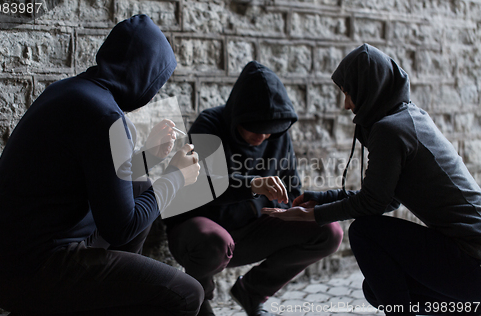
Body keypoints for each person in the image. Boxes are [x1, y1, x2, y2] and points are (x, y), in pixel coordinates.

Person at [0, 15, 204, 316]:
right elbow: (121, 226)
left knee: (139, 190)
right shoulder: (104, 116)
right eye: (157, 81)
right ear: (143, 75)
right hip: (31, 272)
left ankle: (105, 300)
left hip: (8, 262)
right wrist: (176, 177)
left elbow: (101, 183)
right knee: (188, 294)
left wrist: (150, 157)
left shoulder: (72, 90)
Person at [263, 44, 481, 315]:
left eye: (347, 92)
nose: (346, 105)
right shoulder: (408, 117)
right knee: (377, 289)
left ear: (368, 88)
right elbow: (387, 199)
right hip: (471, 263)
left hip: (473, 259)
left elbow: (373, 203)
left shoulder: (390, 130)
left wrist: (311, 215)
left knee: (364, 232)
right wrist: (320, 198)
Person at [163, 61, 344, 316]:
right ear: (239, 113)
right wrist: (252, 186)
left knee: (329, 230)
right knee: (215, 241)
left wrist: (301, 206)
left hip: (250, 231)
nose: (262, 136)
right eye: (255, 128)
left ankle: (252, 291)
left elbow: (292, 188)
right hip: (198, 234)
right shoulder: (211, 124)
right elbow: (200, 186)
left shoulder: (276, 131)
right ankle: (198, 297)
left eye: (269, 131)